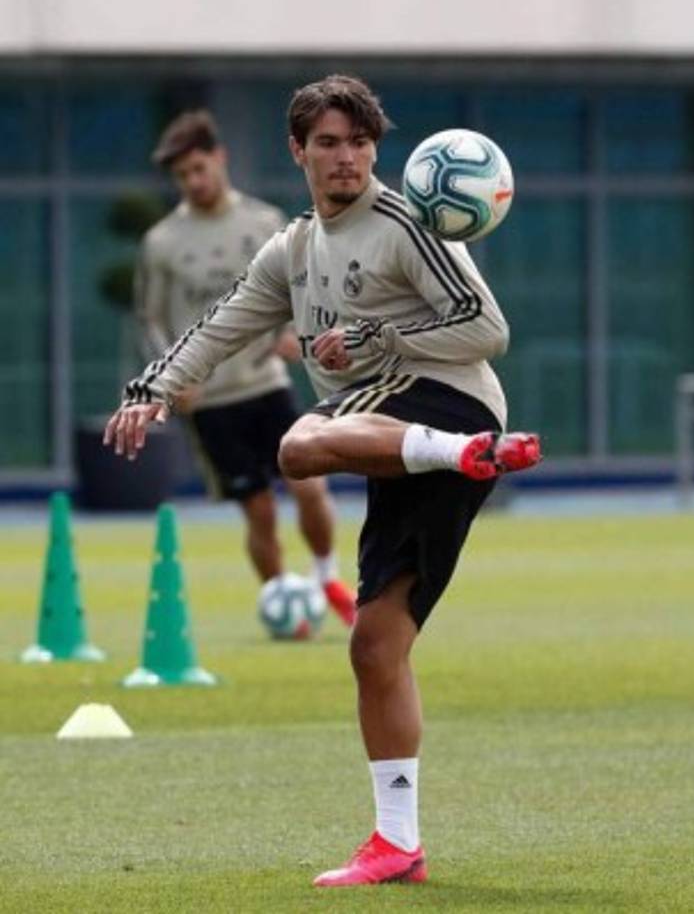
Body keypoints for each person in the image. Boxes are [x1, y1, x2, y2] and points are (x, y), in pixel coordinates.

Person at [105, 75, 541, 886]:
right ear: (298, 151)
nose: (347, 158)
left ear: (376, 151)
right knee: (375, 647)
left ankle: (462, 451)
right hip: (401, 441)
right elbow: (224, 324)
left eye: (361, 143)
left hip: (447, 402)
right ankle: (398, 846)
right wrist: (151, 390)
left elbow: (488, 328)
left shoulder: (407, 223)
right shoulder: (294, 248)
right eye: (330, 143)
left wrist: (374, 335)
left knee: (300, 444)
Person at [135, 109, 355, 626]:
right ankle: (285, 607)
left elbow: (304, 289)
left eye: (199, 168)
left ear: (220, 158)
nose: (194, 181)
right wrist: (168, 382)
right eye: (182, 176)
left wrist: (295, 331)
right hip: (211, 400)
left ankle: (327, 576)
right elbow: (150, 319)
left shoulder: (264, 223)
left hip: (266, 384)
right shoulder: (161, 242)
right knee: (258, 510)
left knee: (309, 483)